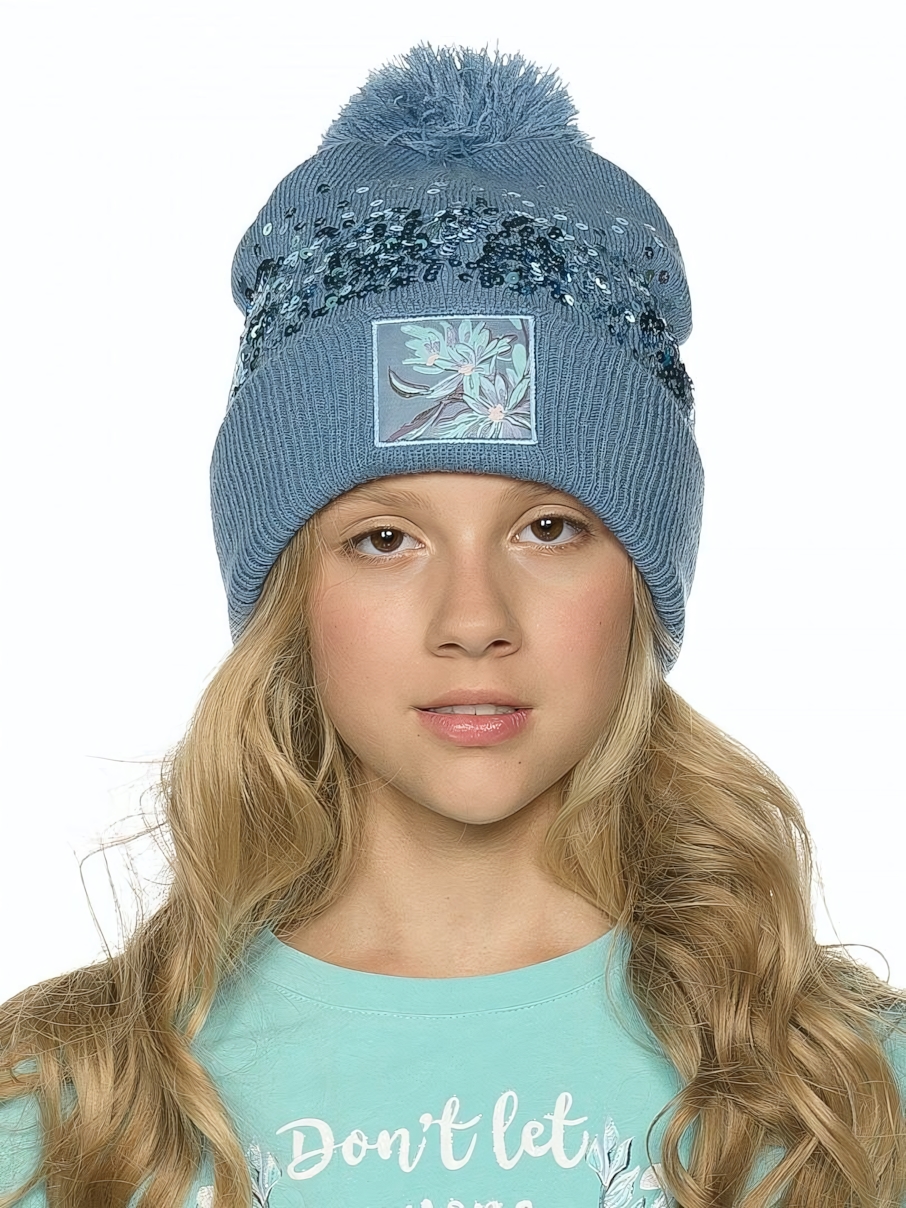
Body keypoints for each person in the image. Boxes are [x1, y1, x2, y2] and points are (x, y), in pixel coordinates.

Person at [1, 42, 904, 1208]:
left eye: (549, 529)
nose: (473, 620)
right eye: (386, 538)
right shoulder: (76, 1109)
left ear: (641, 579)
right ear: (291, 593)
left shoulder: (846, 1092)